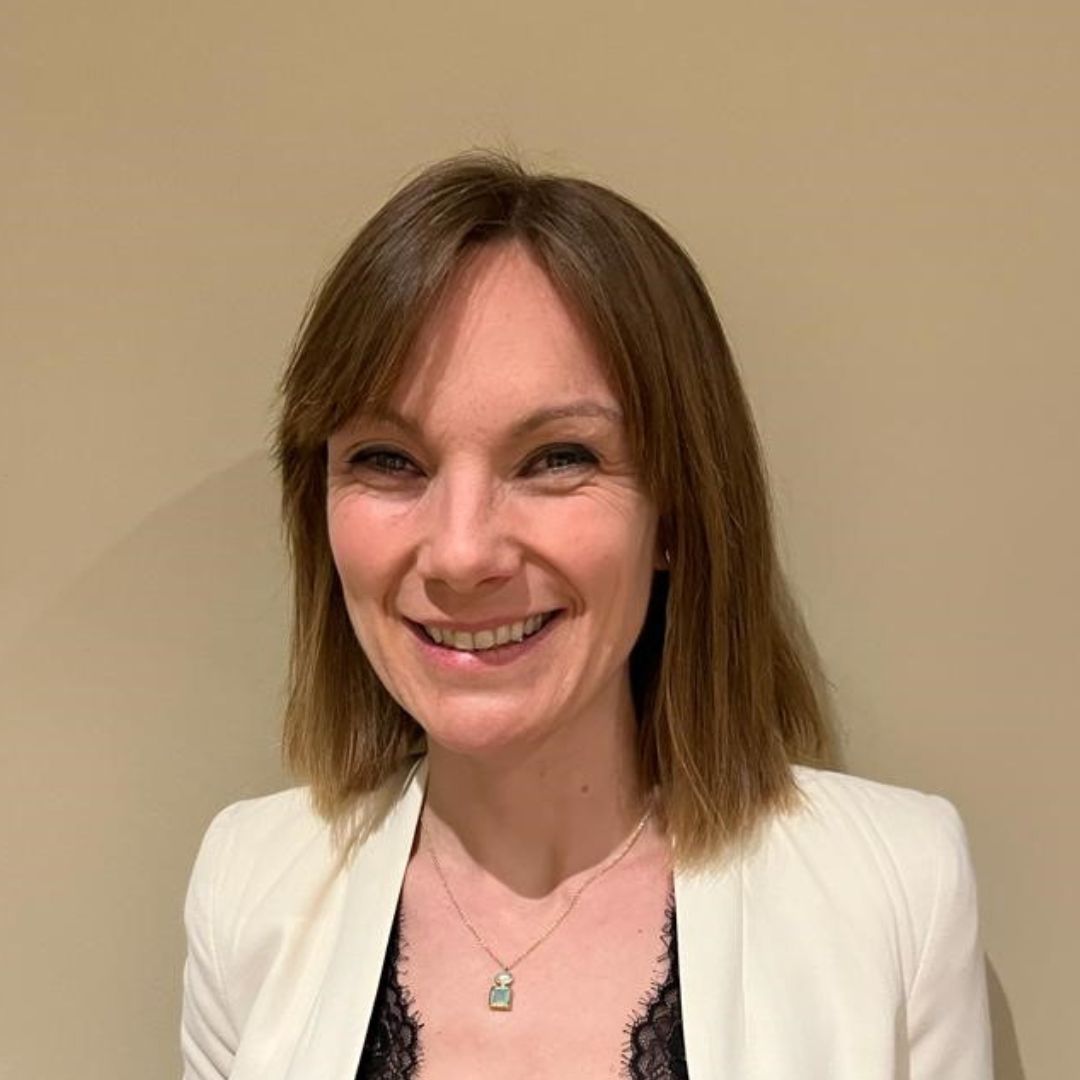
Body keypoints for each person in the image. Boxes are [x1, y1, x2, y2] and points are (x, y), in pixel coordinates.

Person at [180, 152, 993, 1080]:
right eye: (389, 461)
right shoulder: (247, 887)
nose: (460, 553)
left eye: (557, 457)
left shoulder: (898, 890)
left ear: (676, 513)